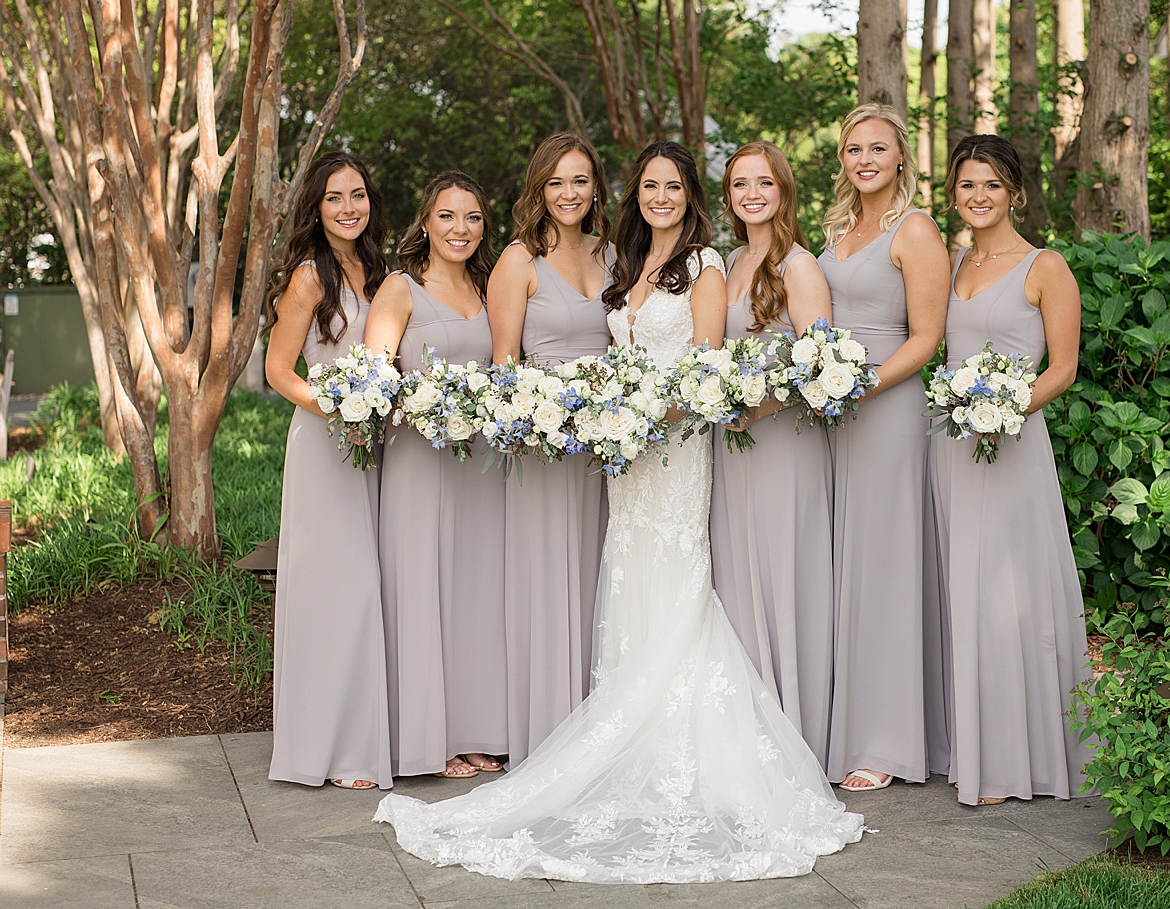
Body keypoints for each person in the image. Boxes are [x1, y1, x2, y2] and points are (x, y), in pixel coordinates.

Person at [375, 141, 864, 883]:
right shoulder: (625, 268)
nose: (660, 197)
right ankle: (624, 733)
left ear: (691, 195)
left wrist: (632, 411)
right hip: (620, 457)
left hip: (670, 450)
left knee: (677, 584)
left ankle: (676, 748)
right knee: (630, 581)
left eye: (673, 186)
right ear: (632, 194)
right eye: (649, 186)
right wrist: (612, 414)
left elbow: (702, 373)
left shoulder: (699, 267)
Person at [928, 134, 1092, 806]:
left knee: (1010, 593)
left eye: (990, 185)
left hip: (1013, 443)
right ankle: (969, 746)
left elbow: (1064, 368)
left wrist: (1005, 408)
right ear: (953, 195)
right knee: (964, 589)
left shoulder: (1044, 265)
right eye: (967, 185)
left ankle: (1018, 760)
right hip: (952, 448)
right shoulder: (954, 260)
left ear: (1015, 193)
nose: (978, 196)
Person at [817, 103, 952, 792]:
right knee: (844, 566)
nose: (864, 159)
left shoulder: (915, 229)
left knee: (885, 567)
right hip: (830, 414)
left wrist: (860, 388)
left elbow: (927, 338)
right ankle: (841, 726)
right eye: (852, 149)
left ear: (901, 158)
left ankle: (887, 742)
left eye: (877, 148)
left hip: (888, 408)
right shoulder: (837, 230)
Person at [365, 171, 506, 782]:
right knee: (423, 586)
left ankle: (476, 730)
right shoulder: (400, 289)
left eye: (472, 218)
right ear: (425, 222)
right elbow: (372, 381)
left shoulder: (488, 286)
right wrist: (419, 405)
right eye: (447, 216)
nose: (460, 229)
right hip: (419, 460)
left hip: (479, 464)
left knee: (476, 592)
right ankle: (428, 737)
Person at [264, 151, 393, 791]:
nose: (349, 208)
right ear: (316, 208)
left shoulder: (376, 270)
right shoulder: (311, 276)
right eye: (335, 198)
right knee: (336, 591)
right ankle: (328, 750)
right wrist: (338, 408)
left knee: (369, 588)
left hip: (376, 447)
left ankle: (363, 739)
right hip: (324, 445)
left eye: (358, 195)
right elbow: (278, 371)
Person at [486, 132, 614, 766]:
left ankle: (598, 726)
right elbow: (504, 363)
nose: (570, 193)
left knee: (598, 578)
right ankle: (545, 732)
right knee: (547, 580)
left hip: (608, 451)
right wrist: (537, 417)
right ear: (539, 187)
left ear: (595, 188)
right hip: (542, 448)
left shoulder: (613, 254)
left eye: (581, 181)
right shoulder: (519, 261)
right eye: (558, 182)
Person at [709, 141, 836, 766]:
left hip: (783, 440)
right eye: (739, 184)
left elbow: (821, 365)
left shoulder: (799, 264)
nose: (751, 194)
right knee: (740, 576)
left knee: (784, 571)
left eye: (763, 182)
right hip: (733, 447)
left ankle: (796, 729)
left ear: (783, 190)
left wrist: (761, 403)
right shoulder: (732, 262)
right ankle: (750, 726)